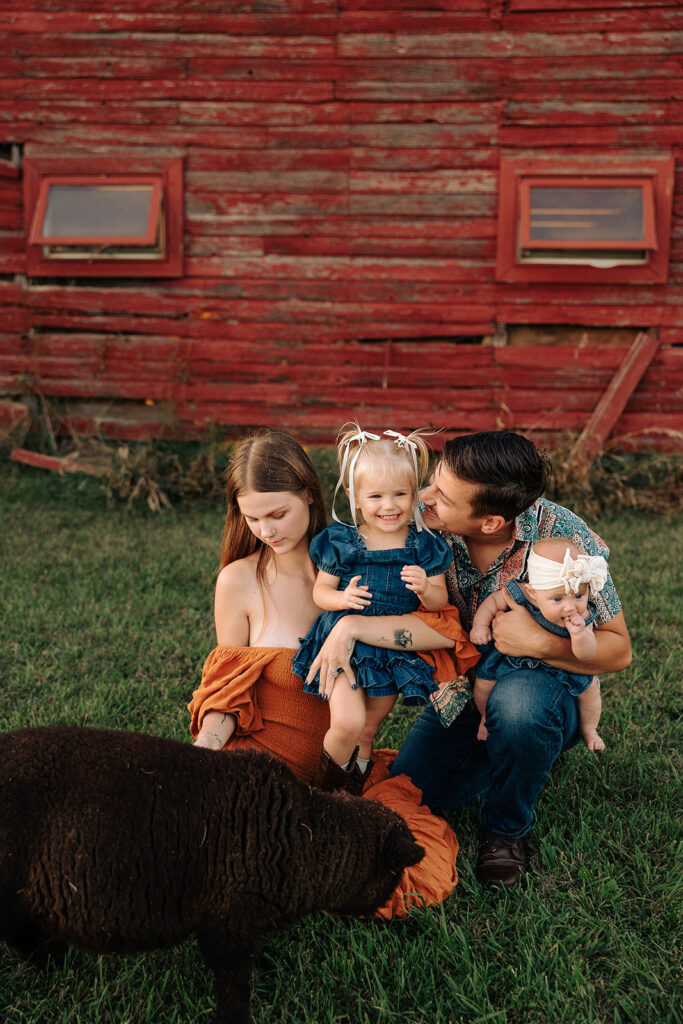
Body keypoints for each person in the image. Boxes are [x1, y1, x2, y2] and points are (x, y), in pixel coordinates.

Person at [305, 431, 631, 889]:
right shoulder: (414, 523)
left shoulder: (563, 537)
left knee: (519, 712)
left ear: (491, 522)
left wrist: (536, 643)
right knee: (414, 788)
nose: (423, 497)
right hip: (468, 689)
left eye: (442, 495)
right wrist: (349, 624)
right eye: (433, 480)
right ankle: (519, 750)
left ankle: (506, 828)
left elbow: (619, 649)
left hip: (541, 682)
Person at [187, 428, 472, 918]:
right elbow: (227, 688)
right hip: (261, 766)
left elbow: (445, 633)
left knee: (391, 866)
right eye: (252, 518)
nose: (267, 531)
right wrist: (207, 746)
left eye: (278, 514)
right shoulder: (238, 580)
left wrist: (352, 627)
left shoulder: (360, 564)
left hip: (336, 774)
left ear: (309, 496)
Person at [291, 424, 459, 792]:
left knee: (369, 727)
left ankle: (354, 788)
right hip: (343, 646)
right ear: (354, 496)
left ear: (415, 493)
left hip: (389, 651)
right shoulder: (343, 541)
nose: (389, 505)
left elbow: (439, 602)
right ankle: (322, 791)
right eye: (376, 496)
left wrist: (424, 588)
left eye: (400, 494)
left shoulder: (423, 545)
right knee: (348, 722)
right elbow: (321, 592)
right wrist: (342, 600)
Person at [470, 537, 608, 751]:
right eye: (558, 600)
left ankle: (589, 728)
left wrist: (581, 635)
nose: (570, 607)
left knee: (590, 689)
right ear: (532, 592)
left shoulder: (583, 615)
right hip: (512, 659)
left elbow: (586, 655)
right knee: (484, 682)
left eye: (579, 595)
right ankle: (485, 718)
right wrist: (480, 626)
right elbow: (493, 602)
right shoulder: (520, 593)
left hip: (561, 664)